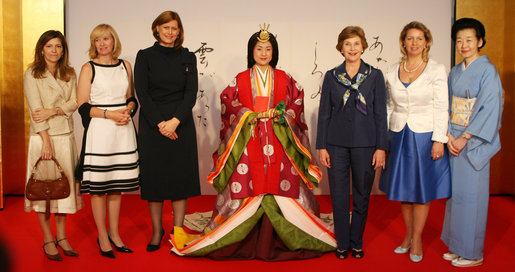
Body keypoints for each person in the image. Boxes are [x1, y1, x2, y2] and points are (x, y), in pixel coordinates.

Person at [169, 24, 336, 261]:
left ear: (274, 51)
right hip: (250, 140)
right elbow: (228, 104)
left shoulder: (284, 78)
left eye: (268, 48)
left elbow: (297, 103)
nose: (264, 53)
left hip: (279, 140)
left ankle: (287, 234)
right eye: (259, 48)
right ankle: (242, 235)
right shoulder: (240, 79)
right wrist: (249, 114)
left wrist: (282, 115)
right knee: (249, 184)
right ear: (252, 51)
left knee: (281, 182)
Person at [379, 21, 451, 263]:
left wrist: (439, 139)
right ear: (403, 42)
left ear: (427, 42)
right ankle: (408, 236)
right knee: (404, 191)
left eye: (419, 39)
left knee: (421, 191)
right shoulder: (391, 70)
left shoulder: (436, 69)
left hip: (425, 136)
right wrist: (385, 137)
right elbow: (388, 106)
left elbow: (442, 106)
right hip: (398, 134)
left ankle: (417, 238)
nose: (414, 43)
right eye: (410, 38)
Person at [316, 26, 388, 260]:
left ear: (363, 46)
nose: (352, 48)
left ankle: (356, 242)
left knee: (361, 195)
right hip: (336, 144)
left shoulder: (375, 75)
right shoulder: (331, 76)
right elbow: (324, 112)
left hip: (366, 145)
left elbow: (380, 114)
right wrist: (322, 146)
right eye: (347, 44)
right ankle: (342, 243)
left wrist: (381, 147)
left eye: (356, 43)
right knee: (338, 195)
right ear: (340, 48)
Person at [134, 10, 201, 252]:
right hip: (153, 124)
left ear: (179, 31)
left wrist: (174, 121)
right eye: (166, 28)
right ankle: (156, 231)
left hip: (180, 122)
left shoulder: (187, 57)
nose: (170, 32)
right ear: (157, 29)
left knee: (179, 178)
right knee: (155, 179)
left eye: (175, 28)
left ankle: (178, 229)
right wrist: (161, 123)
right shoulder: (145, 56)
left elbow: (190, 93)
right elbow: (142, 92)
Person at [440, 18, 503, 268]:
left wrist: (465, 137)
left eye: (469, 39)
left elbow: (490, 107)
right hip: (453, 138)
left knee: (473, 197)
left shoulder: (488, 71)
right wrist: (448, 136)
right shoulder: (455, 71)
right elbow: (445, 104)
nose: (464, 45)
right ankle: (458, 246)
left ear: (480, 41)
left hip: (473, 140)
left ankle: (474, 252)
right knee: (456, 196)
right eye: (459, 40)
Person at [76, 24, 139, 258]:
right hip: (100, 130)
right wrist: (110, 114)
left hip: (123, 129)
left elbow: (130, 97)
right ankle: (102, 235)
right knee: (98, 188)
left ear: (114, 41)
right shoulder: (87, 68)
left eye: (106, 39)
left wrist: (129, 110)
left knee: (116, 186)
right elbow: (82, 105)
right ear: (93, 45)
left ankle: (115, 234)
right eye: (97, 40)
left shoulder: (126, 66)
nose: (102, 44)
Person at [23, 30, 83, 261]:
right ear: (41, 49)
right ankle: (48, 239)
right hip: (43, 138)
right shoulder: (32, 73)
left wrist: (55, 110)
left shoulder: (69, 72)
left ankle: (62, 236)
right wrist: (46, 142)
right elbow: (35, 111)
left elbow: (75, 102)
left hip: (66, 136)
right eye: (49, 46)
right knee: (44, 190)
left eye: (58, 46)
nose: (54, 51)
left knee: (62, 190)